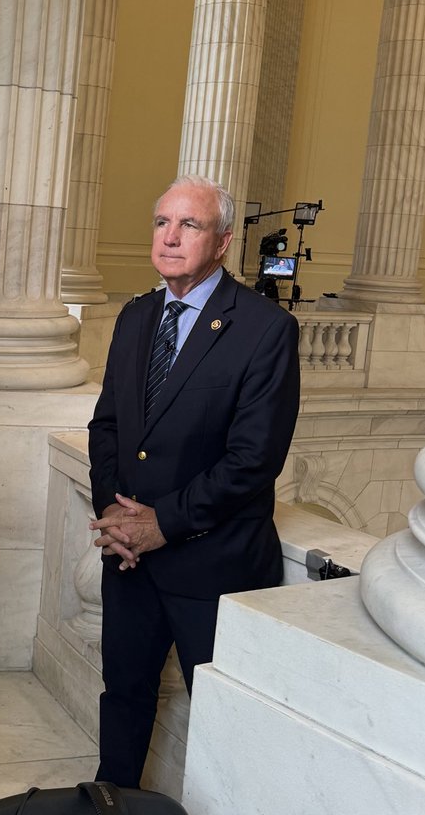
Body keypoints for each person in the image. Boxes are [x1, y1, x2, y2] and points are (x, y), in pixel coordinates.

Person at [87, 174, 299, 790]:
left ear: (223, 242)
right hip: (129, 562)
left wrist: (163, 523)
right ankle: (111, 801)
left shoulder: (264, 329)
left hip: (213, 564)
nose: (171, 237)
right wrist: (114, 512)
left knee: (225, 720)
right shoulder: (135, 317)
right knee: (122, 695)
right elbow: (108, 425)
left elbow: (253, 459)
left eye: (190, 225)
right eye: (161, 223)